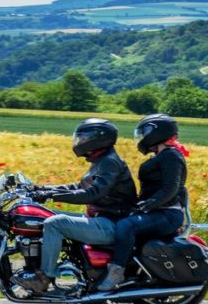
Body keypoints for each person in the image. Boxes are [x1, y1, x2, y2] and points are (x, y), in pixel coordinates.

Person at [12, 118, 137, 294]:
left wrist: (50, 195)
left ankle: (43, 278)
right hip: (102, 219)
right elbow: (77, 187)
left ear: (99, 138)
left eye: (85, 137)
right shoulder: (101, 161)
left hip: (112, 224)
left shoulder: (110, 162)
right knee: (45, 215)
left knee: (54, 223)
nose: (80, 141)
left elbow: (92, 193)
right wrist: (40, 189)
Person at [97, 113, 188, 292]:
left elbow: (172, 187)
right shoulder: (162, 155)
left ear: (157, 132)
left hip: (167, 213)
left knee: (126, 226)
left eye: (145, 132)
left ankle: (116, 273)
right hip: (157, 211)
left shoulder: (171, 156)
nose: (142, 137)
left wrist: (149, 204)